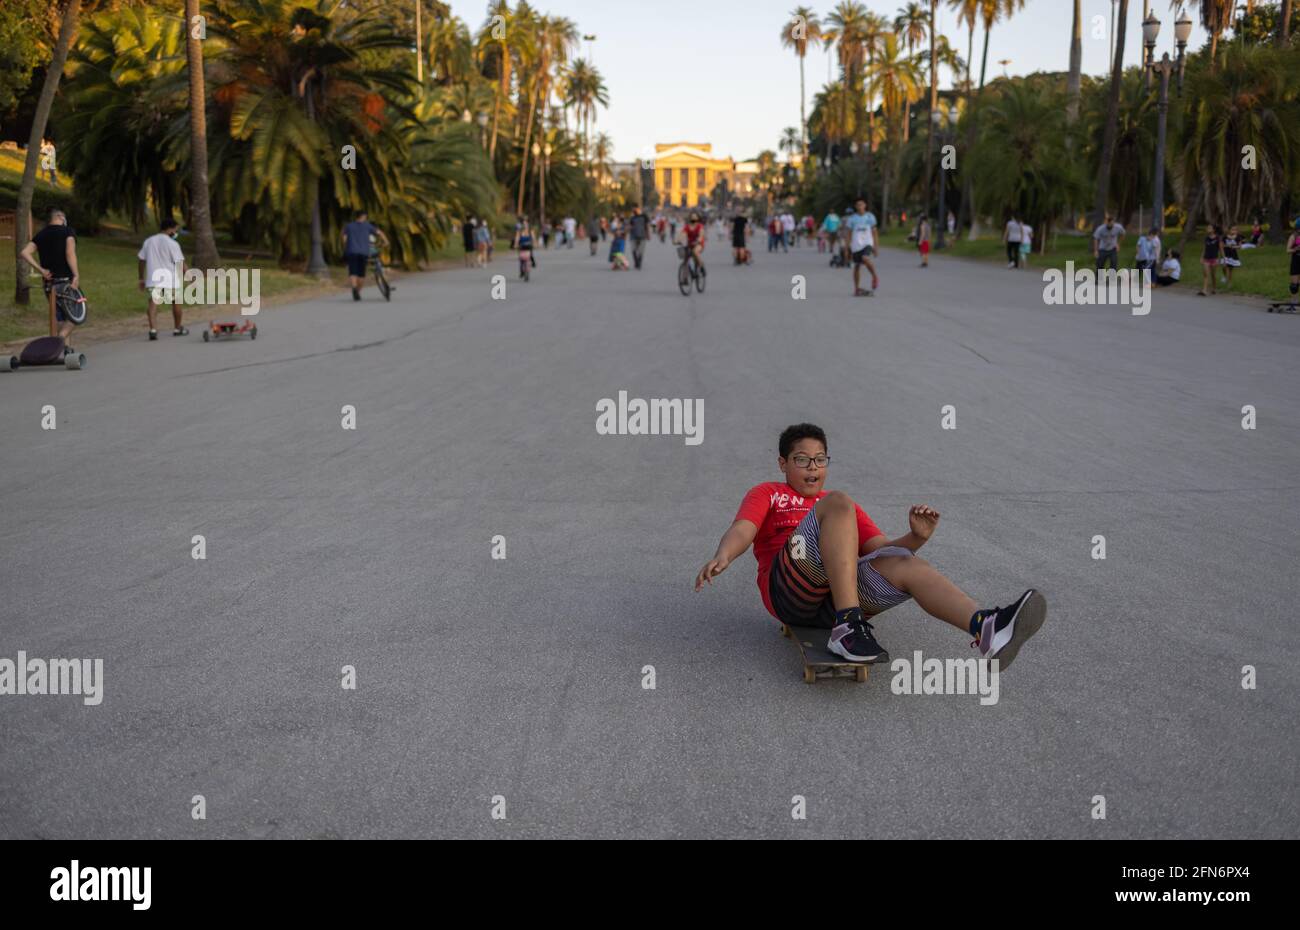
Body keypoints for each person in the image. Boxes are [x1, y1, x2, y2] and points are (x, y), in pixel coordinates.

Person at [693, 422, 1048, 666]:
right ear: (783, 463)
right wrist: (723, 554)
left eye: (820, 460)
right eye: (802, 460)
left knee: (904, 562)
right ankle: (848, 627)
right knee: (838, 503)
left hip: (833, 599)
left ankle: (986, 627)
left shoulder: (840, 506)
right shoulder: (770, 493)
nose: (812, 467)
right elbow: (744, 527)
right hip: (788, 588)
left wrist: (916, 538)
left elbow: (882, 551)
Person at [20, 208, 81, 348]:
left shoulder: (41, 234)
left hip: (49, 282)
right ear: (60, 216)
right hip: (66, 280)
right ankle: (59, 340)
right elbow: (70, 253)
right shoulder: (68, 231)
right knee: (77, 313)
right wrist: (76, 274)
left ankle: (65, 351)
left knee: (60, 316)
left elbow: (25, 252)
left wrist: (41, 270)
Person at [137, 218, 188, 340]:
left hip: (154, 278)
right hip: (170, 279)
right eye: (175, 230)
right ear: (170, 229)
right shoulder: (173, 244)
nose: (176, 233)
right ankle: (177, 328)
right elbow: (180, 263)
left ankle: (153, 330)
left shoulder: (149, 241)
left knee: (153, 302)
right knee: (176, 302)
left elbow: (141, 260)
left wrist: (141, 278)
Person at [342, 210, 389, 300]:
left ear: (356, 217)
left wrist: (347, 247)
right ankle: (357, 292)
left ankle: (354, 288)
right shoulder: (367, 226)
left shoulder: (349, 226)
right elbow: (380, 233)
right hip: (363, 252)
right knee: (361, 274)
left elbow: (344, 239)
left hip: (351, 252)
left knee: (353, 272)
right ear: (364, 217)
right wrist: (386, 241)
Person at [846, 197, 879, 296]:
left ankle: (874, 276)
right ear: (856, 207)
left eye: (862, 204)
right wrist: (847, 248)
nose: (860, 206)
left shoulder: (870, 217)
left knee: (865, 258)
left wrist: (876, 246)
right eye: (858, 205)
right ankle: (856, 289)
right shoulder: (852, 219)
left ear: (865, 205)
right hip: (856, 245)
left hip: (867, 243)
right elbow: (849, 234)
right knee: (856, 266)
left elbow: (874, 232)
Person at [1198, 224, 1223, 296]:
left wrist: (1222, 259)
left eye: (1209, 228)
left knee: (1213, 275)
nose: (1207, 229)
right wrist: (1201, 257)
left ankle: (1214, 288)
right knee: (1206, 274)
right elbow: (1204, 248)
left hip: (1214, 259)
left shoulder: (1218, 238)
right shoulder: (1206, 238)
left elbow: (1221, 249)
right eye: (1207, 227)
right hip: (1206, 258)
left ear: (1213, 230)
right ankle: (1204, 290)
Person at [1284, 219, 1300, 308]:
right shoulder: (1293, 236)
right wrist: (1295, 249)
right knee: (1294, 286)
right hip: (1296, 261)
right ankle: (1294, 302)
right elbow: (1288, 250)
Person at [628, 206, 650, 270]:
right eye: (633, 209)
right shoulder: (632, 217)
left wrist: (648, 234)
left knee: (641, 250)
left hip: (642, 236)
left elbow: (647, 225)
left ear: (639, 209)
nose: (634, 210)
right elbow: (630, 226)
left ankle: (639, 263)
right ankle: (636, 261)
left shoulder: (644, 216)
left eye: (635, 208)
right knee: (633, 249)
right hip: (633, 236)